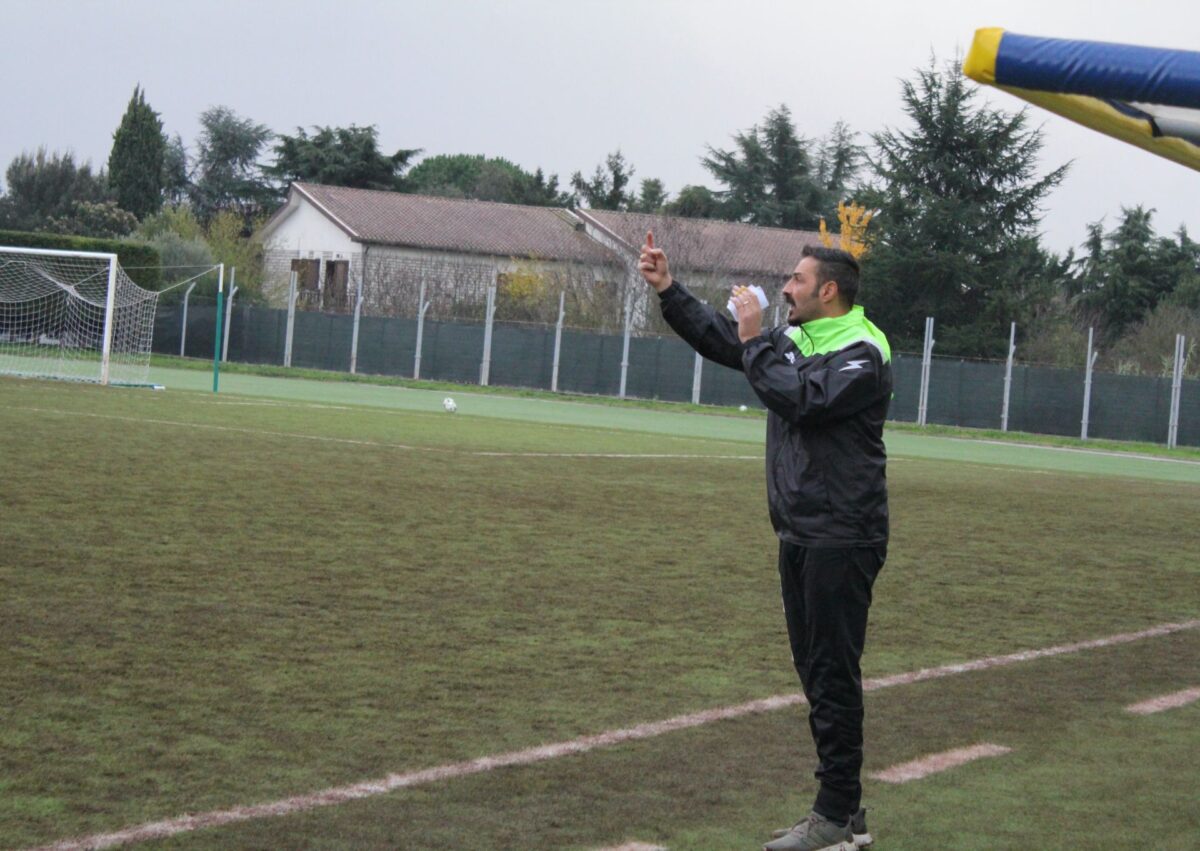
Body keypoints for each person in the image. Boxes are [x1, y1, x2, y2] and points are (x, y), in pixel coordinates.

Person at [638, 232, 891, 851]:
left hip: (842, 535)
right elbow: (725, 340)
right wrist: (669, 290)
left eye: (797, 280)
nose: (785, 288)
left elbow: (801, 400)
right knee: (815, 670)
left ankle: (833, 817)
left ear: (828, 291)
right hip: (801, 529)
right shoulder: (799, 339)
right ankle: (847, 812)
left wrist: (754, 341)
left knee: (831, 674)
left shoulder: (863, 351)